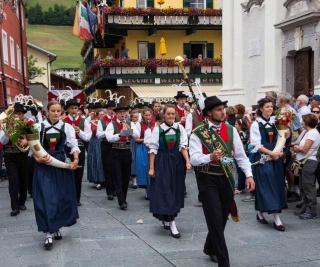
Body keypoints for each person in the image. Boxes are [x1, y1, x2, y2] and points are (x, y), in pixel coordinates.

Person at [189, 96, 255, 266]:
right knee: (214, 220)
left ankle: (210, 247)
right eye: (218, 110)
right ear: (209, 113)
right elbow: (194, 159)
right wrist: (209, 156)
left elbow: (240, 156)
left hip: (226, 177)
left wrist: (249, 175)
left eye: (223, 109)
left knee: (222, 218)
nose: (222, 112)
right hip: (207, 178)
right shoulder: (198, 133)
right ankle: (224, 262)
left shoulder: (231, 130)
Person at [32, 100, 79, 248]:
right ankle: (48, 232)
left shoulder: (67, 127)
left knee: (61, 196)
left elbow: (74, 145)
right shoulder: (38, 126)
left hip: (60, 163)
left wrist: (76, 159)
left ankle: (56, 226)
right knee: (46, 197)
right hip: (44, 164)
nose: (56, 114)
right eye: (53, 111)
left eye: (59, 111)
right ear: (47, 111)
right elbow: (32, 148)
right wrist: (37, 159)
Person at [149, 104, 191, 238]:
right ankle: (171, 222)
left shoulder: (180, 128)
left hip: (177, 162)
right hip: (162, 162)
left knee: (175, 190)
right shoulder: (158, 129)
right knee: (165, 190)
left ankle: (169, 217)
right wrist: (151, 168)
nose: (171, 116)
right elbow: (153, 149)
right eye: (168, 114)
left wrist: (188, 161)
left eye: (173, 114)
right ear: (164, 115)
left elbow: (183, 146)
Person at [250, 98, 287, 231]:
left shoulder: (276, 122)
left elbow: (283, 137)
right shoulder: (255, 124)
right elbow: (256, 145)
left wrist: (280, 151)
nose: (270, 109)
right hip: (263, 157)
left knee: (276, 184)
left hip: (276, 156)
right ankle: (276, 218)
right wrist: (271, 153)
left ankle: (260, 213)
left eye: (271, 106)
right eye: (267, 107)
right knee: (267, 185)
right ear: (261, 109)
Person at [106, 104, 140, 210]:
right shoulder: (112, 124)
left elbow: (137, 136)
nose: (122, 114)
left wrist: (130, 131)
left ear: (126, 113)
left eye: (124, 112)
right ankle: (121, 201)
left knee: (126, 177)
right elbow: (109, 138)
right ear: (116, 113)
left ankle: (123, 198)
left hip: (126, 151)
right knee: (117, 177)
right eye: (120, 112)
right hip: (115, 152)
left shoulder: (130, 123)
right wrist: (120, 134)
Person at [0, 103, 29, 216]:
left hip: (23, 155)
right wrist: (8, 131)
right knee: (13, 180)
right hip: (10, 155)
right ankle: (14, 207)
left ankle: (22, 201)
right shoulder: (6, 125)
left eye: (19, 114)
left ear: (23, 115)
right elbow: (3, 141)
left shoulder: (27, 125)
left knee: (23, 179)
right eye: (15, 114)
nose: (17, 116)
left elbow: (33, 138)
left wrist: (27, 141)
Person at [64, 99, 92, 206]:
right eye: (71, 108)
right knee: (68, 172)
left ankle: (77, 198)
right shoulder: (64, 120)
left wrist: (79, 131)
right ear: (67, 110)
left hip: (80, 147)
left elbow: (88, 137)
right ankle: (68, 197)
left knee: (78, 174)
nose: (74, 110)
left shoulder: (83, 120)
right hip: (67, 149)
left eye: (75, 108)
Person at [293, 114, 320, 219]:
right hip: (305, 161)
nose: (301, 122)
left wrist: (296, 148)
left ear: (307, 122)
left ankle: (311, 211)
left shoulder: (312, 133)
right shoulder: (308, 132)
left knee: (308, 186)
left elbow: (305, 149)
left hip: (309, 161)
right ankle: (305, 207)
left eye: (303, 120)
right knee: (303, 186)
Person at [97, 100, 117, 200]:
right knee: (107, 168)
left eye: (113, 109)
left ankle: (115, 189)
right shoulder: (102, 120)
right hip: (106, 144)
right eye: (110, 109)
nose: (112, 111)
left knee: (116, 168)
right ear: (107, 110)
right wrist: (108, 132)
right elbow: (98, 134)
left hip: (116, 145)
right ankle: (109, 191)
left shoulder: (118, 119)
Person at [87, 109, 105, 189]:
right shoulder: (92, 123)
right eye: (100, 114)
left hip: (103, 142)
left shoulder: (106, 123)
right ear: (97, 115)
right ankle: (98, 180)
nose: (102, 116)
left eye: (103, 114)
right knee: (96, 161)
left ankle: (104, 179)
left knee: (103, 161)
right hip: (94, 142)